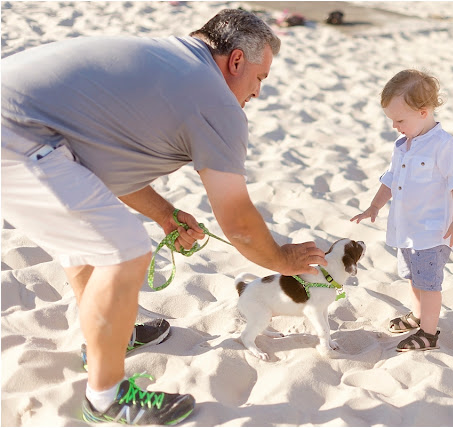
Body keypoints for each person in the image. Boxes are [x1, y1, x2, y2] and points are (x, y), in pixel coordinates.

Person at [1, 8, 327, 425]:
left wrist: (167, 214)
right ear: (237, 61)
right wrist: (284, 261)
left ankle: (104, 341)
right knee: (123, 251)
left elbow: (99, 164)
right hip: (17, 132)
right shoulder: (214, 98)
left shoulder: (173, 62)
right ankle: (106, 400)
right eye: (260, 79)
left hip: (27, 129)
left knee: (91, 242)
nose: (257, 93)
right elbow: (240, 223)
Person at [350, 69, 453, 352]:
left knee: (429, 284)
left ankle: (428, 333)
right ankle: (418, 316)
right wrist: (375, 205)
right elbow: (391, 177)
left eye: (400, 120)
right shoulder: (404, 146)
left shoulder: (443, 146)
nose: (395, 126)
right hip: (407, 228)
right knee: (414, 278)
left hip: (431, 232)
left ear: (424, 111)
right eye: (392, 120)